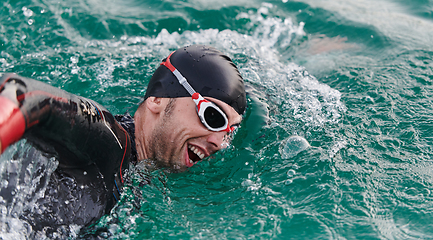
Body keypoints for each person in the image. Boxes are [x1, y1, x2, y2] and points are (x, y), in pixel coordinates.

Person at [0, 45, 246, 234]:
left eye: (229, 132)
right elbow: (21, 93)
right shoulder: (106, 141)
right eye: (213, 117)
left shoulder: (137, 174)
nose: (219, 143)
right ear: (158, 100)